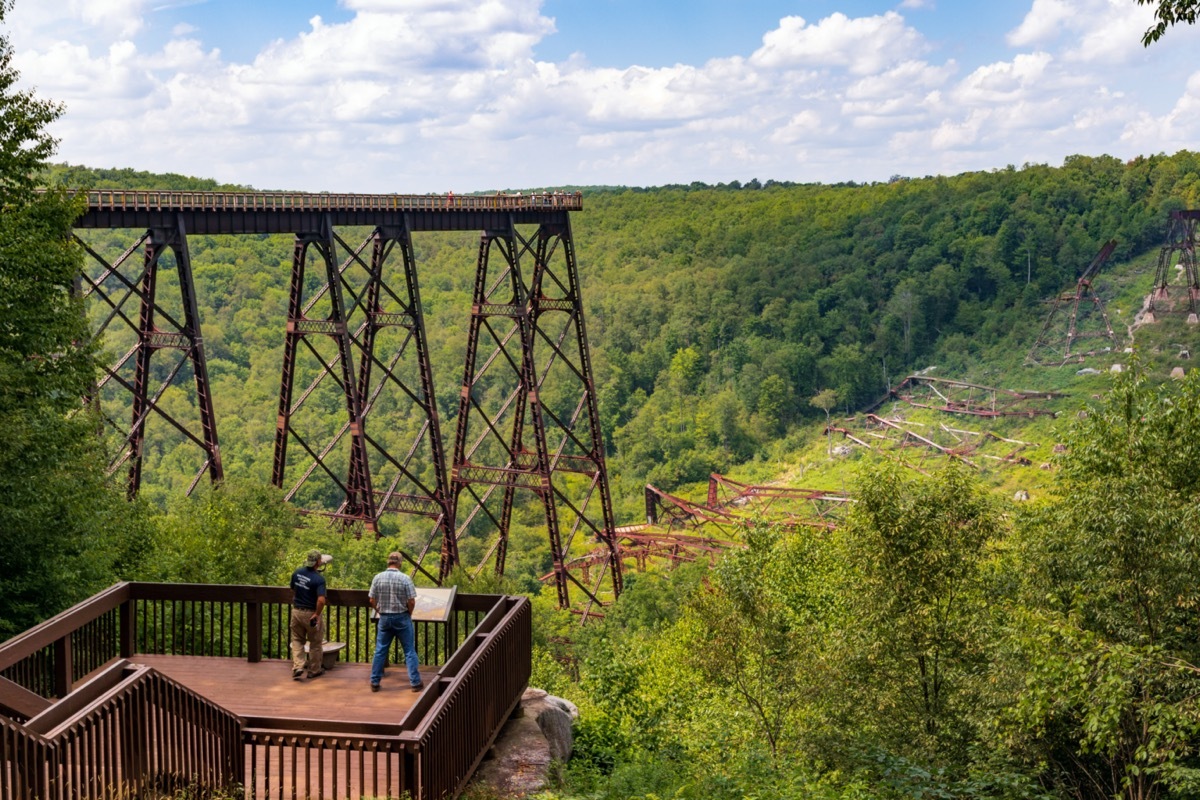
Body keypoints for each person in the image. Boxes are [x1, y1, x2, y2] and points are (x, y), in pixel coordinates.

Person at [367, 551, 422, 693]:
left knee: (380, 650)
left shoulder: (377, 578)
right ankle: (415, 683)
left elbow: (372, 599)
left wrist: (378, 610)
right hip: (402, 616)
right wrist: (408, 613)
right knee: (409, 650)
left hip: (384, 617)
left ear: (388, 561)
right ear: (400, 562)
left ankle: (374, 682)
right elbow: (411, 600)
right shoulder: (405, 579)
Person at [289, 549, 330, 681]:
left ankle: (298, 666)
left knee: (297, 640)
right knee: (315, 643)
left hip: (296, 611)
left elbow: (293, 589)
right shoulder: (318, 579)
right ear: (318, 562)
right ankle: (314, 670)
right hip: (310, 613)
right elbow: (321, 600)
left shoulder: (296, 573)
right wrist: (317, 614)